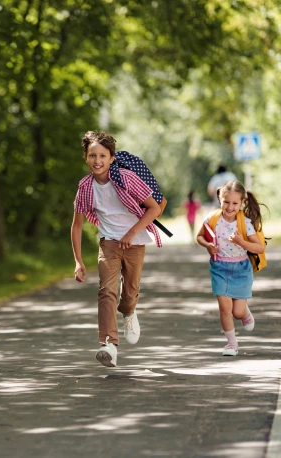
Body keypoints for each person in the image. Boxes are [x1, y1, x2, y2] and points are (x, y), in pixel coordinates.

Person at [71, 131, 162, 368]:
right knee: (106, 291)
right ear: (86, 158)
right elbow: (77, 225)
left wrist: (132, 233)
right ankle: (108, 345)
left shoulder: (126, 178)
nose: (97, 160)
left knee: (130, 291)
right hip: (109, 242)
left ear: (112, 158)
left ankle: (129, 313)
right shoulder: (85, 187)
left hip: (135, 241)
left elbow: (154, 209)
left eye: (102, 155)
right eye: (92, 155)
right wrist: (78, 261)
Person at [195, 180, 265, 356]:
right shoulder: (212, 219)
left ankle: (245, 312)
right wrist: (208, 246)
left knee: (238, 312)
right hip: (219, 267)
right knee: (225, 309)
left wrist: (242, 242)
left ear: (242, 203)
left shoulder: (245, 223)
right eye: (226, 202)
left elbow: (260, 248)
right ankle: (231, 344)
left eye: (235, 203)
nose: (230, 207)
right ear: (220, 199)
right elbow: (199, 236)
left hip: (241, 269)